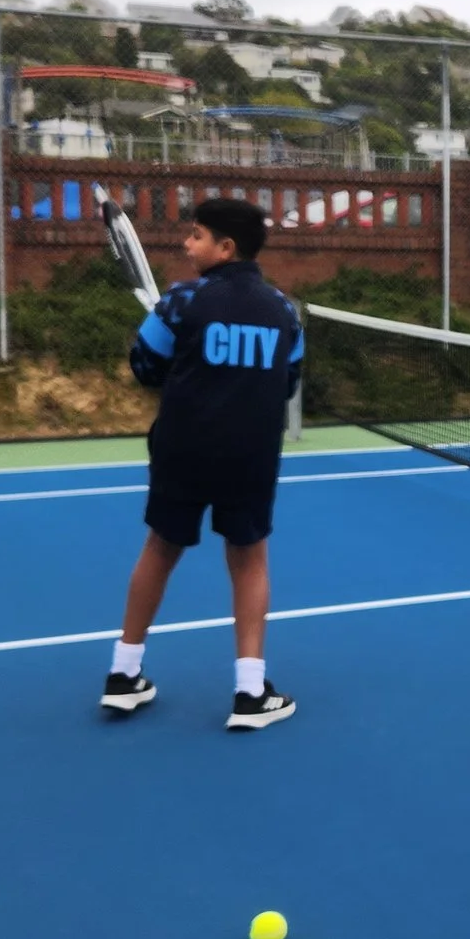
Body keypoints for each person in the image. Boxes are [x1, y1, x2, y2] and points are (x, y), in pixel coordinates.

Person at [103, 196, 305, 730]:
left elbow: (145, 368)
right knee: (249, 559)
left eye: (195, 235)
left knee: (160, 549)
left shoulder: (179, 303)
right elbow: (288, 381)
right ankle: (250, 691)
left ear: (226, 247)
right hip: (250, 457)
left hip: (182, 450)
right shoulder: (284, 311)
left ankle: (123, 676)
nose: (186, 244)